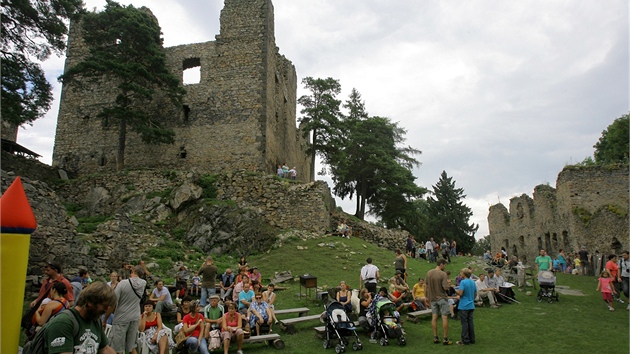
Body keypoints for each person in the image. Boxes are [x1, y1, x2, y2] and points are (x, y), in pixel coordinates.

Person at [44, 281, 117, 353]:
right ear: (90, 302)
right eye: (104, 306)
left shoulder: (95, 321)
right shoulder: (63, 322)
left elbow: (104, 349)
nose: (106, 310)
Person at [104, 265, 147, 354]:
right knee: (131, 347)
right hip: (135, 316)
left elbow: (113, 302)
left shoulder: (123, 283)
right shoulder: (143, 283)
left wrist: (105, 319)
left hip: (121, 317)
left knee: (118, 348)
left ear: (133, 271)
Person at [425, 259, 453, 345]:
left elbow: (426, 286)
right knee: (444, 317)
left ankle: (435, 337)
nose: (445, 267)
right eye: (444, 265)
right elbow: (445, 287)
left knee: (434, 317)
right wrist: (449, 284)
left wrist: (426, 296)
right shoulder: (443, 274)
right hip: (441, 298)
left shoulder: (429, 273)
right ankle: (445, 338)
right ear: (441, 264)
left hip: (432, 298)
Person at [455, 268, 476, 345]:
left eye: (461, 272)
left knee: (464, 323)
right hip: (471, 304)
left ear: (464, 274)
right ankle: (472, 338)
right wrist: (472, 299)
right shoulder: (472, 282)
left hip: (464, 305)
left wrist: (455, 291)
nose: (460, 274)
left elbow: (460, 293)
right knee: (470, 322)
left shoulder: (463, 282)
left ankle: (465, 340)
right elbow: (475, 292)